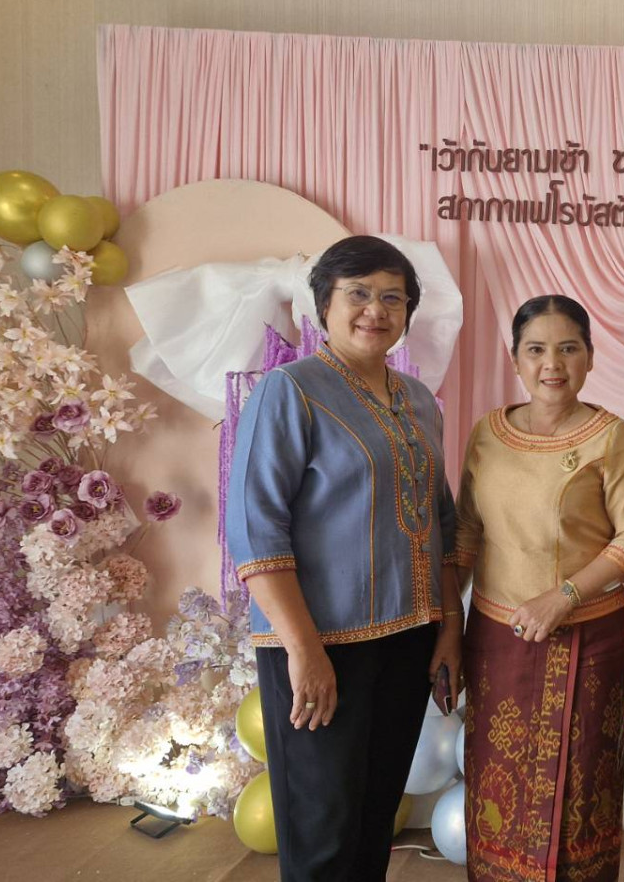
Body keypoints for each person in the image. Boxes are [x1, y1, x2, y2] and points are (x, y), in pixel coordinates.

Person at [226, 235, 459, 882]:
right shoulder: (289, 390)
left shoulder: (419, 401)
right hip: (319, 644)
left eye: (393, 297)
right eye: (358, 293)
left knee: (372, 819)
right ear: (323, 303)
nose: (375, 310)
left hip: (407, 641)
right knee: (323, 831)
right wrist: (304, 650)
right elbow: (255, 528)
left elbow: (441, 520)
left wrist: (449, 629)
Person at [449, 295, 624, 882]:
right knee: (497, 780)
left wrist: (563, 596)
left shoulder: (612, 438)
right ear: (515, 358)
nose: (553, 364)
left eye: (568, 349)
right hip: (495, 640)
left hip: (586, 639)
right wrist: (445, 628)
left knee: (579, 783)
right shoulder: (488, 433)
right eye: (537, 350)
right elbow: (466, 532)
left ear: (590, 356)